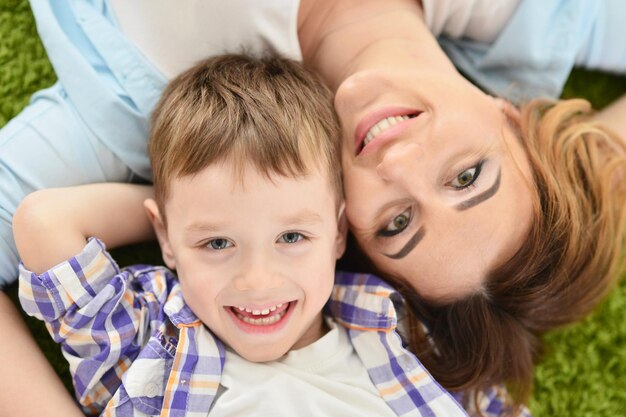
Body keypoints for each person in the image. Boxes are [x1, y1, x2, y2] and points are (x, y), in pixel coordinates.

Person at [1, 0, 624, 415]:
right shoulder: (528, 18)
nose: (400, 163)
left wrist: (209, 218)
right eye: (467, 175)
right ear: (513, 116)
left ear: (341, 230)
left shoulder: (137, 116)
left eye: (397, 223)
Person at [15, 54, 481, 417]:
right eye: (217, 243)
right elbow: (44, 222)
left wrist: (197, 223)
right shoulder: (146, 344)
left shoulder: (400, 327)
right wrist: (178, 218)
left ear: (338, 230)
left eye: (292, 236)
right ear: (167, 238)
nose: (257, 279)